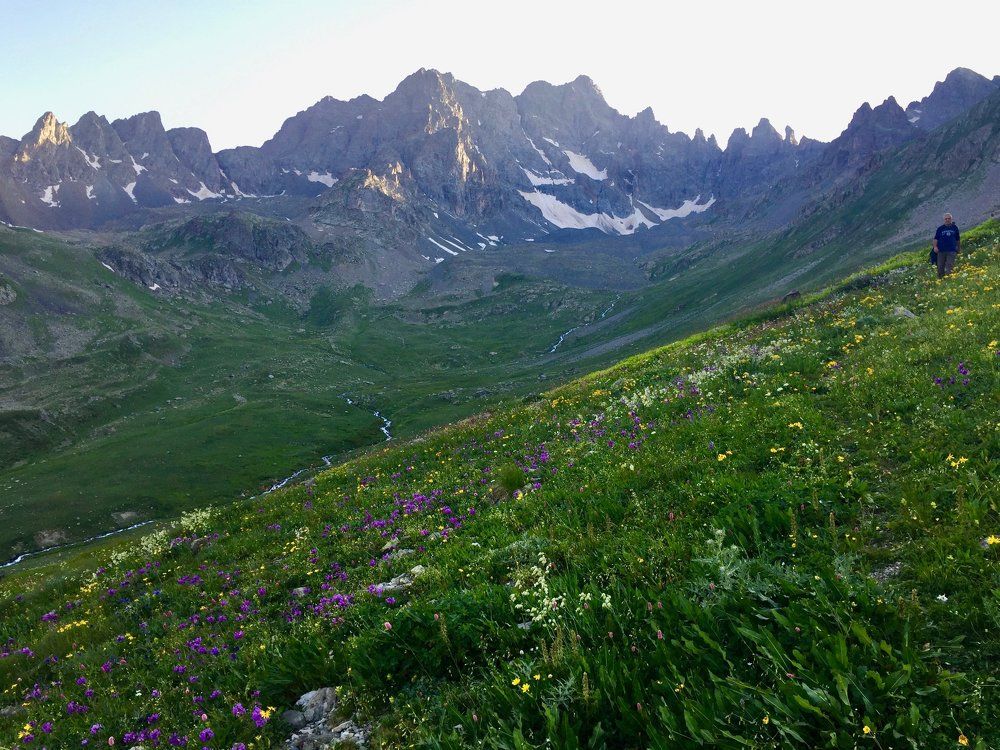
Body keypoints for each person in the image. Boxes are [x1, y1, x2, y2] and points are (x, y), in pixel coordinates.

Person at [933, 213, 960, 278]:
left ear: (951, 219)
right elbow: (936, 239)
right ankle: (940, 281)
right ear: (944, 220)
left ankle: (949, 280)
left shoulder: (955, 227)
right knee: (940, 267)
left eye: (949, 218)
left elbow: (958, 239)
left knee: (949, 266)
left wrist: (958, 248)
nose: (947, 220)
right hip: (941, 250)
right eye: (946, 219)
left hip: (951, 250)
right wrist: (935, 247)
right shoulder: (940, 228)